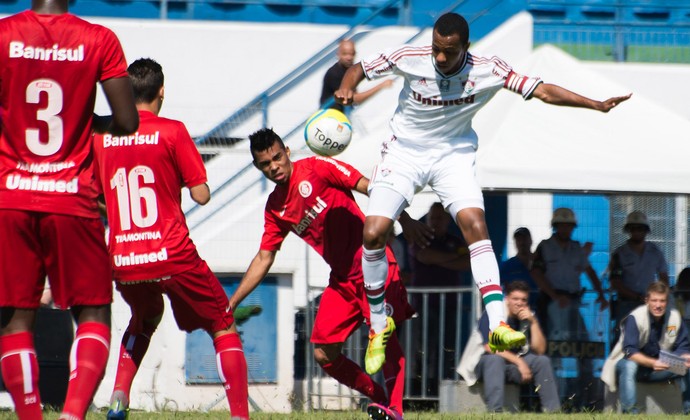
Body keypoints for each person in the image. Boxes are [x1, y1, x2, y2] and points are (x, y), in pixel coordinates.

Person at [334, 12, 630, 370]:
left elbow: (542, 91)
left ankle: (497, 324)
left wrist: (595, 104)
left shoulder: (489, 68)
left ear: (466, 47)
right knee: (373, 232)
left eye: (449, 51)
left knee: (475, 224)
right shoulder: (409, 57)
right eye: (437, 50)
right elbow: (359, 68)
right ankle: (379, 324)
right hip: (403, 152)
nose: (441, 58)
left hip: (453, 155)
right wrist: (348, 85)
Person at [0, 0, 139, 418]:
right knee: (94, 310)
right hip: (71, 197)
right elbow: (128, 122)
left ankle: (28, 415)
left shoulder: (3, 35)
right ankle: (73, 413)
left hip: (11, 194)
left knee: (15, 321)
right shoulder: (99, 38)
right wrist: (89, 122)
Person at [230, 127, 427, 420]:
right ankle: (379, 397)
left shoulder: (318, 167)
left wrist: (405, 218)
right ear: (259, 168)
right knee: (323, 353)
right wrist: (231, 303)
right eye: (265, 165)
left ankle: (395, 411)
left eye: (276, 158)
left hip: (373, 263)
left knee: (383, 334)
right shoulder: (275, 208)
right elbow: (264, 257)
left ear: (286, 152)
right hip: (343, 279)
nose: (274, 167)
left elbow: (371, 187)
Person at [92, 58, 249, 420]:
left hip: (125, 257)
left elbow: (97, 196)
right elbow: (201, 195)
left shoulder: (104, 138)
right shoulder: (173, 131)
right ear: (162, 91)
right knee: (222, 322)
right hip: (171, 251)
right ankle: (241, 416)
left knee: (145, 316)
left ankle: (119, 396)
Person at [530, 207, 608, 410]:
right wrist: (555, 296)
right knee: (554, 351)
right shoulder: (545, 247)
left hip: (573, 303)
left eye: (569, 225)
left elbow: (589, 270)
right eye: (562, 225)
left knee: (584, 348)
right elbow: (536, 274)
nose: (566, 228)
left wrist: (600, 293)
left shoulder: (576, 248)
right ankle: (553, 401)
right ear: (556, 226)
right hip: (552, 302)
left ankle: (585, 399)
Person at [458, 280, 561, 412]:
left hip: (511, 366)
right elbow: (489, 347)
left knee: (542, 361)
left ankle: (553, 411)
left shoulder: (529, 316)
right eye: (515, 299)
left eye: (523, 300)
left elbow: (540, 350)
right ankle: (495, 412)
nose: (519, 303)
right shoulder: (493, 313)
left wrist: (534, 323)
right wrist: (520, 362)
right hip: (483, 365)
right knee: (495, 359)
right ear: (506, 299)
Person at [407, 202, 470, 394]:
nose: (436, 222)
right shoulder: (421, 237)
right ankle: (423, 390)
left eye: (440, 218)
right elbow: (426, 256)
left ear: (448, 220)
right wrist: (451, 258)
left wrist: (440, 258)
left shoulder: (456, 240)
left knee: (447, 348)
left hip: (450, 304)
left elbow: (467, 262)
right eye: (433, 218)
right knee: (425, 349)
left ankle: (444, 390)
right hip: (425, 304)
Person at [602, 281, 690, 414]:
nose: (658, 305)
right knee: (629, 365)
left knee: (688, 364)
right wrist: (654, 363)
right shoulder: (635, 317)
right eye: (654, 300)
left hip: (661, 365)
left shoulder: (674, 318)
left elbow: (683, 347)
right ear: (646, 300)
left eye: (662, 301)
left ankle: (688, 410)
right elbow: (630, 352)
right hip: (629, 366)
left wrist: (683, 357)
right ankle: (630, 413)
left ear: (667, 302)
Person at [609, 211, 669, 343]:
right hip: (625, 304)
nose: (637, 232)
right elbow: (615, 283)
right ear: (628, 230)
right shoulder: (619, 254)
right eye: (633, 229)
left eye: (640, 229)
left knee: (651, 341)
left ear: (646, 231)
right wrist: (637, 297)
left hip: (650, 305)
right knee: (624, 342)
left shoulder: (655, 252)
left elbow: (663, 277)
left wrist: (659, 297)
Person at [319, 39, 393, 112]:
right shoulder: (334, 73)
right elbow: (355, 99)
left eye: (352, 54)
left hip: (342, 114)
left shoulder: (352, 70)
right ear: (338, 54)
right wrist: (381, 85)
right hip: (329, 114)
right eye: (345, 54)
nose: (349, 57)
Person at [500, 227, 538, 306]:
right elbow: (504, 290)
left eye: (524, 239)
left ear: (531, 241)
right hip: (517, 309)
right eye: (519, 240)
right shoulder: (507, 266)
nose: (522, 243)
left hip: (539, 307)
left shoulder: (540, 263)